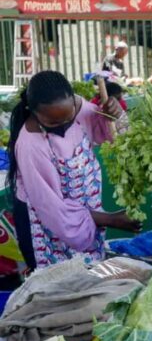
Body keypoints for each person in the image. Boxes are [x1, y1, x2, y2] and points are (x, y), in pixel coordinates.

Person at [6, 71, 140, 270]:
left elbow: (114, 135)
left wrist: (115, 114)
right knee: (60, 283)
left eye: (68, 117)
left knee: (90, 277)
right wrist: (110, 219)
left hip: (86, 221)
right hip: (48, 226)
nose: (63, 124)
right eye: (53, 122)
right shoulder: (30, 145)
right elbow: (52, 208)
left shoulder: (78, 107)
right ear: (33, 112)